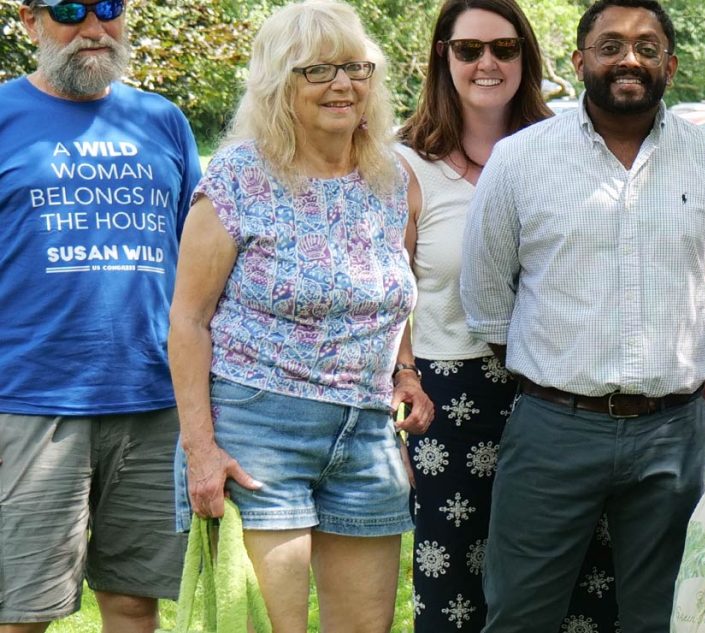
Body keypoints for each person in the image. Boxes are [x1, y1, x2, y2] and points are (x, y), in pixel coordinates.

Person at [460, 0, 705, 629]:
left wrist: (676, 367)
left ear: (671, 65)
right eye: (611, 45)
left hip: (673, 433)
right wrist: (561, 372)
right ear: (580, 61)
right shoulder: (520, 160)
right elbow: (487, 300)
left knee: (670, 616)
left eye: (647, 47)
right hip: (552, 427)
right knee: (521, 614)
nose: (630, 58)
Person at [166, 2, 429, 630]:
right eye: (317, 70)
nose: (343, 85)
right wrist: (201, 450)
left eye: (355, 68)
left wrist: (406, 368)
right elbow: (187, 322)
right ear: (278, 84)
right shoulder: (236, 180)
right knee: (264, 625)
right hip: (259, 429)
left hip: (366, 432)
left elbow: (391, 293)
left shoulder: (392, 179)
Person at [390, 1, 624, 630]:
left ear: (527, 55)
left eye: (504, 48)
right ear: (444, 55)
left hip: (559, 396)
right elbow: (387, 298)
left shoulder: (573, 150)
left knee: (579, 584)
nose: (487, 63)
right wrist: (398, 397)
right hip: (449, 399)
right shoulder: (403, 163)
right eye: (469, 49)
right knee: (454, 589)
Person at [0, 0, 199, 628]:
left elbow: (196, 259)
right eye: (68, 10)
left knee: (133, 601)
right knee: (22, 609)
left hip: (153, 398)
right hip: (31, 400)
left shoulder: (162, 121)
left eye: (109, 7)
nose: (93, 27)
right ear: (31, 21)